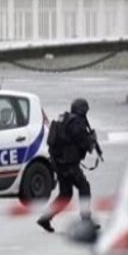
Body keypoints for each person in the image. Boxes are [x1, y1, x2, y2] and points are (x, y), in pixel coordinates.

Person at [37, 98, 100, 233]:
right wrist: (92, 139)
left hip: (58, 163)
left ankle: (45, 218)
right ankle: (86, 221)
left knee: (65, 194)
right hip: (68, 165)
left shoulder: (64, 119)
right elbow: (85, 145)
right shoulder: (77, 124)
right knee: (84, 187)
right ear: (83, 110)